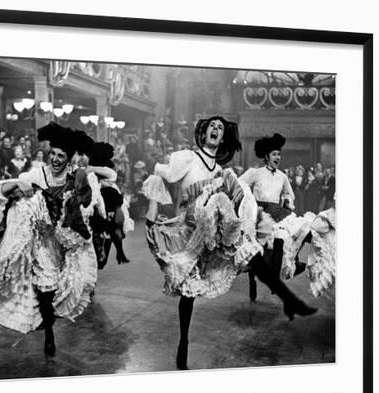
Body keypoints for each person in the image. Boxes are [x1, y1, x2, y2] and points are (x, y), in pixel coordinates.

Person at [142, 116, 317, 370]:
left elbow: (239, 196)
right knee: (188, 293)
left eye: (220, 128)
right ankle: (183, 342)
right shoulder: (189, 158)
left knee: (251, 254)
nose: (215, 129)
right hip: (190, 231)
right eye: (211, 126)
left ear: (223, 138)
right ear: (203, 134)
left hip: (214, 234)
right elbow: (164, 173)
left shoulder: (221, 172)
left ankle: (286, 296)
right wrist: (154, 201)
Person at [0, 122, 97, 357]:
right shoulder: (37, 173)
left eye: (61, 155)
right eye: (53, 154)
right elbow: (1, 190)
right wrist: (19, 183)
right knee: (45, 289)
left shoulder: (75, 178)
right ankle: (49, 334)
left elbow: (83, 210)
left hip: (65, 240)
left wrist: (62, 222)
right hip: (41, 244)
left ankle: (48, 318)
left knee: (64, 289)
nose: (55, 159)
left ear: (69, 158)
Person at [240, 134, 335, 301]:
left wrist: (287, 200)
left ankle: (276, 281)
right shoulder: (255, 173)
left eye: (279, 154)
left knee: (283, 238)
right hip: (259, 216)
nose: (278, 157)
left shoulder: (282, 176)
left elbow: (290, 194)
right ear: (267, 156)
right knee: (257, 250)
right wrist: (249, 202)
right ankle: (253, 280)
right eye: (274, 154)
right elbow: (239, 185)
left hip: (277, 215)